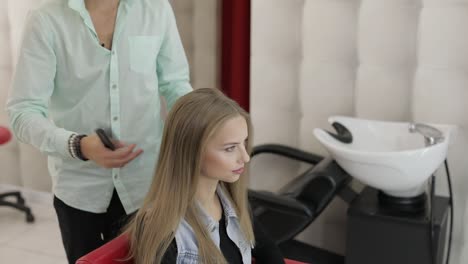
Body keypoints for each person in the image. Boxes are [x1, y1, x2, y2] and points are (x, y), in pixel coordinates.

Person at [6, 0, 192, 263]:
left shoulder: (156, 8)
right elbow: (23, 112)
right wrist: (78, 145)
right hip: (79, 190)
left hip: (147, 185)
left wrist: (202, 129)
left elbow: (176, 85)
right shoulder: (45, 20)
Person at [124, 88, 285, 264]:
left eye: (244, 143)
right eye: (230, 148)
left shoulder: (233, 202)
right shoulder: (162, 229)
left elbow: (269, 251)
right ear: (192, 152)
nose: (245, 157)